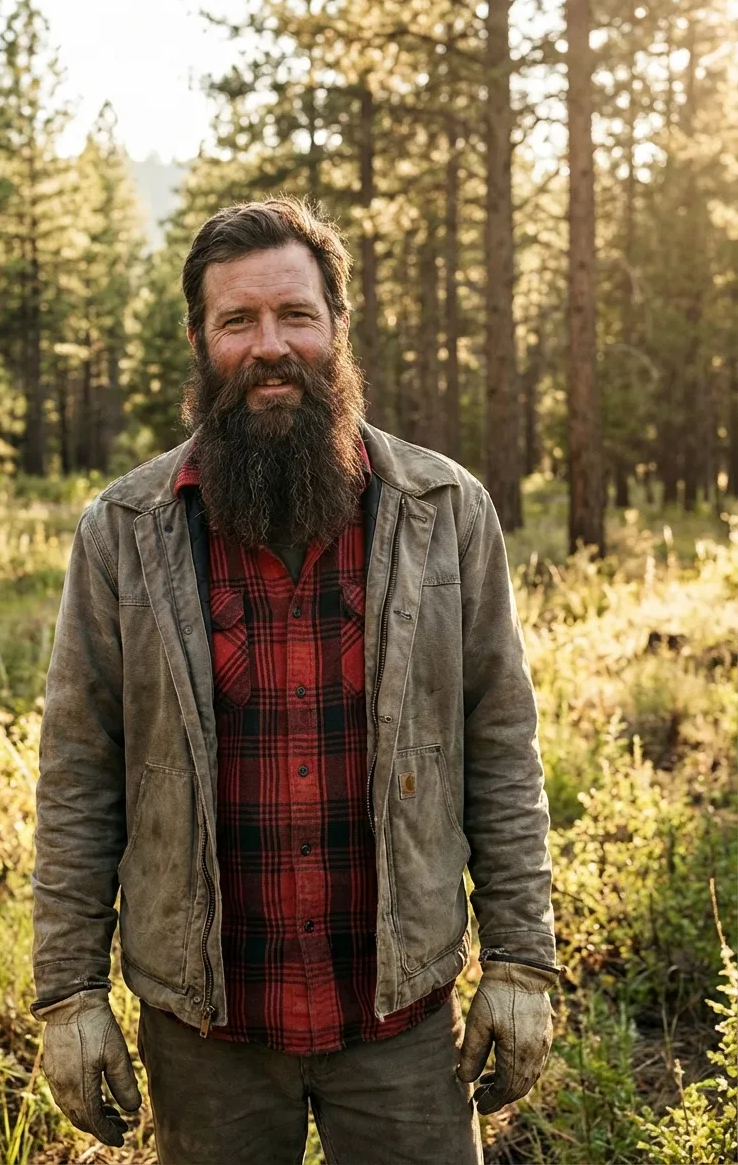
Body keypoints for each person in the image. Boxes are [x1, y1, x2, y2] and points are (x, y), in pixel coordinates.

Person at [31, 197, 559, 1165]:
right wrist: (69, 996)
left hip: (397, 1019)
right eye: (237, 321)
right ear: (199, 341)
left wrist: (521, 960)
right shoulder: (124, 533)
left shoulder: (445, 514)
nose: (268, 346)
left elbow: (499, 749)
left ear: (336, 330)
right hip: (205, 1040)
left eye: (294, 316)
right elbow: (77, 773)